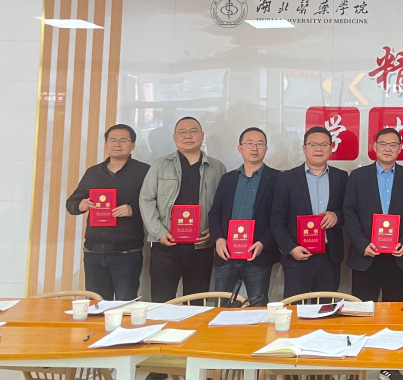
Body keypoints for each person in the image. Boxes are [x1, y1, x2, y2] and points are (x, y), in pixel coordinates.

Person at [139, 117, 227, 303]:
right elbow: (146, 199)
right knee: (162, 302)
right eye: (182, 131)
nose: (188, 136)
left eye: (193, 131)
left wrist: (215, 231)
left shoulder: (217, 167)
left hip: (201, 247)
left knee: (196, 303)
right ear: (174, 137)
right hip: (165, 246)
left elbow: (224, 205)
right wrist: (159, 232)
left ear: (202, 135)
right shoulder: (160, 165)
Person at [65, 124, 150, 300]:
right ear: (106, 144)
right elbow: (71, 204)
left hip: (127, 253)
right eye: (112, 140)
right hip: (93, 252)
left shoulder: (144, 172)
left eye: (123, 140)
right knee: (96, 305)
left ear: (133, 145)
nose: (117, 144)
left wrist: (133, 210)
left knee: (125, 304)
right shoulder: (93, 172)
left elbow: (155, 205)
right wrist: (80, 205)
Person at [344, 128, 403, 303]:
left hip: (398, 256)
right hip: (366, 255)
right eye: (383, 144)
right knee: (363, 311)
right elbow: (349, 213)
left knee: (394, 312)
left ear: (400, 148)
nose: (388, 148)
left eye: (393, 145)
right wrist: (362, 244)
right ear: (375, 146)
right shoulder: (357, 176)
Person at [270, 127, 347, 298]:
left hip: (329, 256)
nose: (319, 149)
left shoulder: (341, 177)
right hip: (298, 255)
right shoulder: (287, 178)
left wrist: (337, 216)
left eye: (324, 144)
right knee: (296, 309)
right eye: (313, 144)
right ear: (304, 148)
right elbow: (276, 218)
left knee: (326, 307)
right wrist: (290, 248)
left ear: (331, 148)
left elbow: (350, 212)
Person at [208, 127, 280, 306]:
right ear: (240, 148)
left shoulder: (277, 179)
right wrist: (219, 240)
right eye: (249, 143)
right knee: (222, 308)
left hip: (257, 255)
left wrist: (263, 243)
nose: (254, 148)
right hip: (227, 254)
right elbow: (215, 213)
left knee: (257, 307)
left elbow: (279, 218)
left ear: (266, 148)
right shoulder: (228, 179)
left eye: (260, 144)